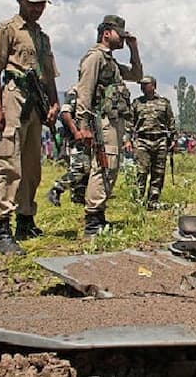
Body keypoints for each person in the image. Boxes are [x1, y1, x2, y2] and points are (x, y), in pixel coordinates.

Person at [0, 0, 60, 255]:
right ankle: (2, 230)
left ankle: (25, 220)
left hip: (37, 104)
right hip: (14, 98)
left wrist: (54, 104)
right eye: (33, 3)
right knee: (7, 163)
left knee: (31, 166)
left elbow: (49, 75)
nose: (38, 8)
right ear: (20, 0)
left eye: (42, 4)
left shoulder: (42, 37)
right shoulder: (6, 30)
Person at [74, 15, 142, 236]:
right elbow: (84, 92)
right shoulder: (95, 58)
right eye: (119, 34)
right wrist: (82, 124)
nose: (123, 38)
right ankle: (92, 221)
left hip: (113, 121)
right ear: (106, 33)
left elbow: (137, 75)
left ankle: (99, 216)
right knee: (103, 166)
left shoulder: (110, 61)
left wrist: (134, 49)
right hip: (101, 121)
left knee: (109, 167)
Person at [131, 75, 176, 210]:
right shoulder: (136, 103)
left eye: (146, 84)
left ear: (154, 86)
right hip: (142, 140)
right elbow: (129, 123)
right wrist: (127, 140)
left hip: (160, 140)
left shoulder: (164, 102)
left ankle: (153, 201)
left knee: (158, 172)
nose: (143, 87)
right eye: (142, 85)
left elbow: (171, 122)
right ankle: (138, 200)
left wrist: (173, 139)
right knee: (141, 171)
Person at [46, 86, 91, 207]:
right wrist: (75, 132)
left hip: (89, 138)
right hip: (77, 139)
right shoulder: (76, 91)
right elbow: (65, 113)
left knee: (87, 172)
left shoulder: (92, 91)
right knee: (79, 169)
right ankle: (57, 188)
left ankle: (78, 199)